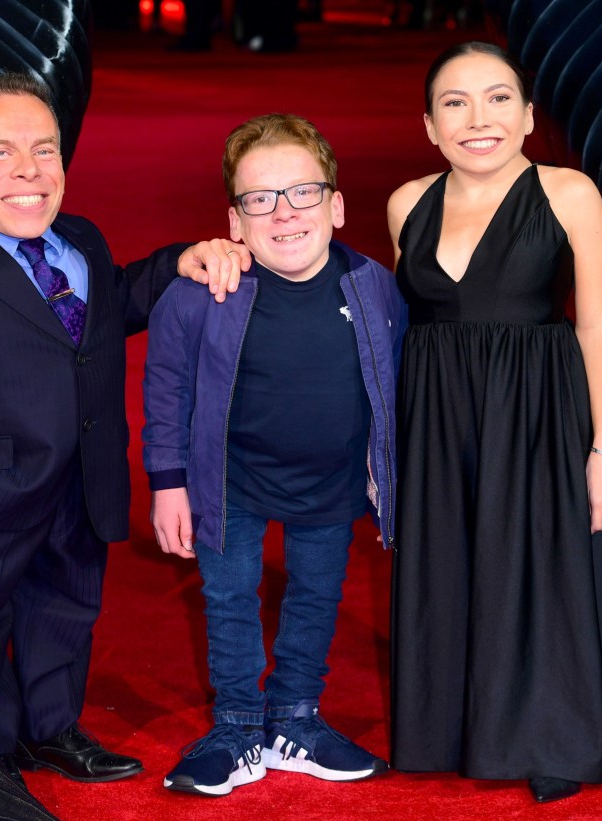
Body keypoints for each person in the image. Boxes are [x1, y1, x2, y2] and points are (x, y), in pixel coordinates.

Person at [0, 72, 248, 793]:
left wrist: (176, 263)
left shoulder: (82, 242)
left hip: (82, 476)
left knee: (65, 609)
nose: (29, 170)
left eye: (45, 149)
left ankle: (51, 727)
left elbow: (110, 306)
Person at [385, 41, 602, 803]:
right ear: (430, 125)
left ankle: (554, 733)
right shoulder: (406, 203)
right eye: (454, 103)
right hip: (437, 416)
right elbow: (404, 325)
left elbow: (597, 324)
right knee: (452, 560)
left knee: (543, 567)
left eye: (498, 98)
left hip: (538, 411)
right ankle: (453, 725)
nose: (477, 118)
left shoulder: (569, 193)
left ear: (528, 115)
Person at [142, 113, 406, 796]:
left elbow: (397, 378)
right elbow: (165, 390)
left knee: (318, 593)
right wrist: (168, 482)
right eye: (261, 199)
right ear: (235, 220)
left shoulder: (376, 287)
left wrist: (391, 473)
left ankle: (295, 717)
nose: (284, 213)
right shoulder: (199, 294)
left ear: (337, 205)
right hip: (231, 480)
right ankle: (235, 725)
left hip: (332, 478)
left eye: (304, 193)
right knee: (229, 597)